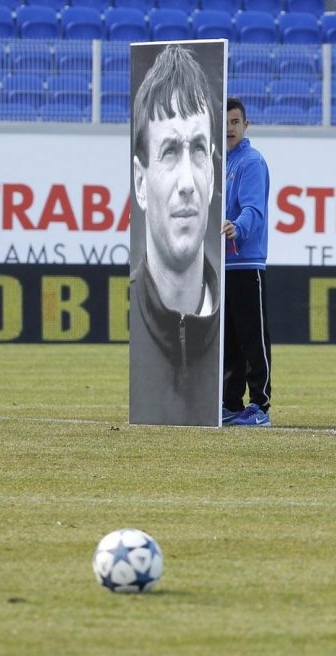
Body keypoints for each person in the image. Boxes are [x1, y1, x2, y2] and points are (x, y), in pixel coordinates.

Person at [129, 43, 221, 426]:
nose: (187, 183)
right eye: (169, 152)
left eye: (197, 150)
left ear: (212, 173)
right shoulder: (127, 322)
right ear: (141, 183)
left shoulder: (233, 327)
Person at [222, 98, 273, 427]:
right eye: (226, 122)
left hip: (246, 262)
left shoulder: (251, 161)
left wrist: (237, 228)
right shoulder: (219, 162)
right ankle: (230, 403)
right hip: (222, 263)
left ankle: (260, 406)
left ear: (245, 125)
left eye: (235, 122)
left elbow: (254, 209)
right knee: (228, 341)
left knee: (253, 338)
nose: (230, 128)